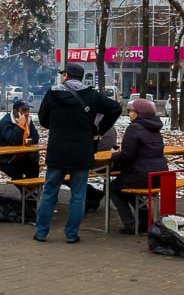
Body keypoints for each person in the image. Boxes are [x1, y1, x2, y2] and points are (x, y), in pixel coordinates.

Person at [34, 63, 122, 243]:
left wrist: (57, 126)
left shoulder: (52, 94)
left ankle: (41, 232)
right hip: (82, 151)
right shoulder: (91, 95)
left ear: (66, 75)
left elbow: (43, 120)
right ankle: (72, 234)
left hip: (57, 150)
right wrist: (98, 130)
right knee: (78, 195)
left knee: (50, 192)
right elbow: (115, 108)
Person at [108, 98, 168, 234]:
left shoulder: (134, 128)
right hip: (158, 175)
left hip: (141, 175)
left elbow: (127, 156)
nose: (129, 114)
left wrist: (114, 155)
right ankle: (146, 221)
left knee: (112, 188)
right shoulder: (155, 128)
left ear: (138, 113)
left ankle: (130, 224)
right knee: (128, 189)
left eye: (131, 111)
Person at [0, 99, 40, 180]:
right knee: (17, 173)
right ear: (15, 112)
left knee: (33, 165)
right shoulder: (6, 122)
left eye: (28, 110)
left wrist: (27, 142)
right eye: (24, 110)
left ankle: (31, 191)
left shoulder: (28, 121)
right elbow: (13, 140)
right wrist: (20, 126)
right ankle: (27, 190)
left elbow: (35, 136)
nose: (27, 113)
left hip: (19, 156)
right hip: (3, 158)